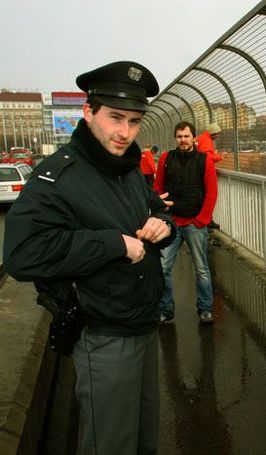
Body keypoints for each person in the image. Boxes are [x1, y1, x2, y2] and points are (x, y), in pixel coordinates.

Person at [2, 61, 175, 454]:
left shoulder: (127, 169)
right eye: (115, 118)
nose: (124, 132)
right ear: (88, 111)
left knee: (146, 439)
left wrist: (165, 225)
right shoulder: (57, 177)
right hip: (104, 333)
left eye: (134, 121)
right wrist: (112, 244)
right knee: (110, 444)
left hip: (143, 322)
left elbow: (156, 209)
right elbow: (21, 254)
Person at [154, 121, 218, 324]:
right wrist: (160, 209)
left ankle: (206, 308)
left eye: (187, 136)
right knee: (163, 267)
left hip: (194, 222)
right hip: (171, 222)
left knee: (201, 268)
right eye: (180, 136)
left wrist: (202, 220)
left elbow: (211, 191)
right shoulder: (166, 158)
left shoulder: (204, 160)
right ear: (176, 138)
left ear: (194, 138)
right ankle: (166, 310)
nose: (183, 140)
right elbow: (158, 186)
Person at [196, 122, 222, 231]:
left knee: (203, 196)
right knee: (210, 196)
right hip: (205, 172)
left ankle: (206, 220)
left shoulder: (201, 138)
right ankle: (206, 221)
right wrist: (219, 156)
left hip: (198, 171)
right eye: (217, 134)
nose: (218, 136)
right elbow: (207, 158)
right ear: (213, 132)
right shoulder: (206, 140)